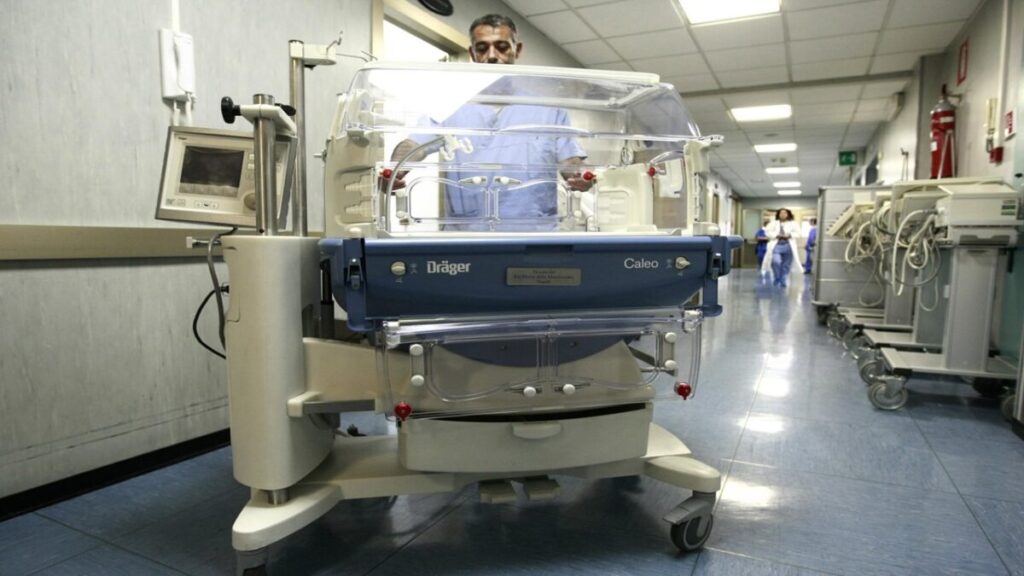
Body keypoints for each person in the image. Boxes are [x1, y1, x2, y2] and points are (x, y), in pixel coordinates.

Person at [389, 14, 591, 228]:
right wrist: (394, 171)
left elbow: (570, 161)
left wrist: (581, 176)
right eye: (482, 48)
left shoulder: (548, 109)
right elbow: (414, 145)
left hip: (533, 233)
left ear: (517, 49)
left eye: (502, 47)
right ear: (472, 53)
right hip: (468, 235)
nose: (492, 56)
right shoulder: (450, 107)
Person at [760, 208, 803, 287]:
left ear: (788, 214)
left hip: (788, 246)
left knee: (786, 265)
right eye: (781, 213)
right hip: (776, 245)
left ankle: (783, 280)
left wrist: (790, 235)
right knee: (776, 262)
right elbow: (767, 232)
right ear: (778, 214)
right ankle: (777, 278)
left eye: (785, 213)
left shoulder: (793, 223)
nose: (783, 214)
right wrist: (776, 235)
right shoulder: (773, 223)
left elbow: (798, 233)